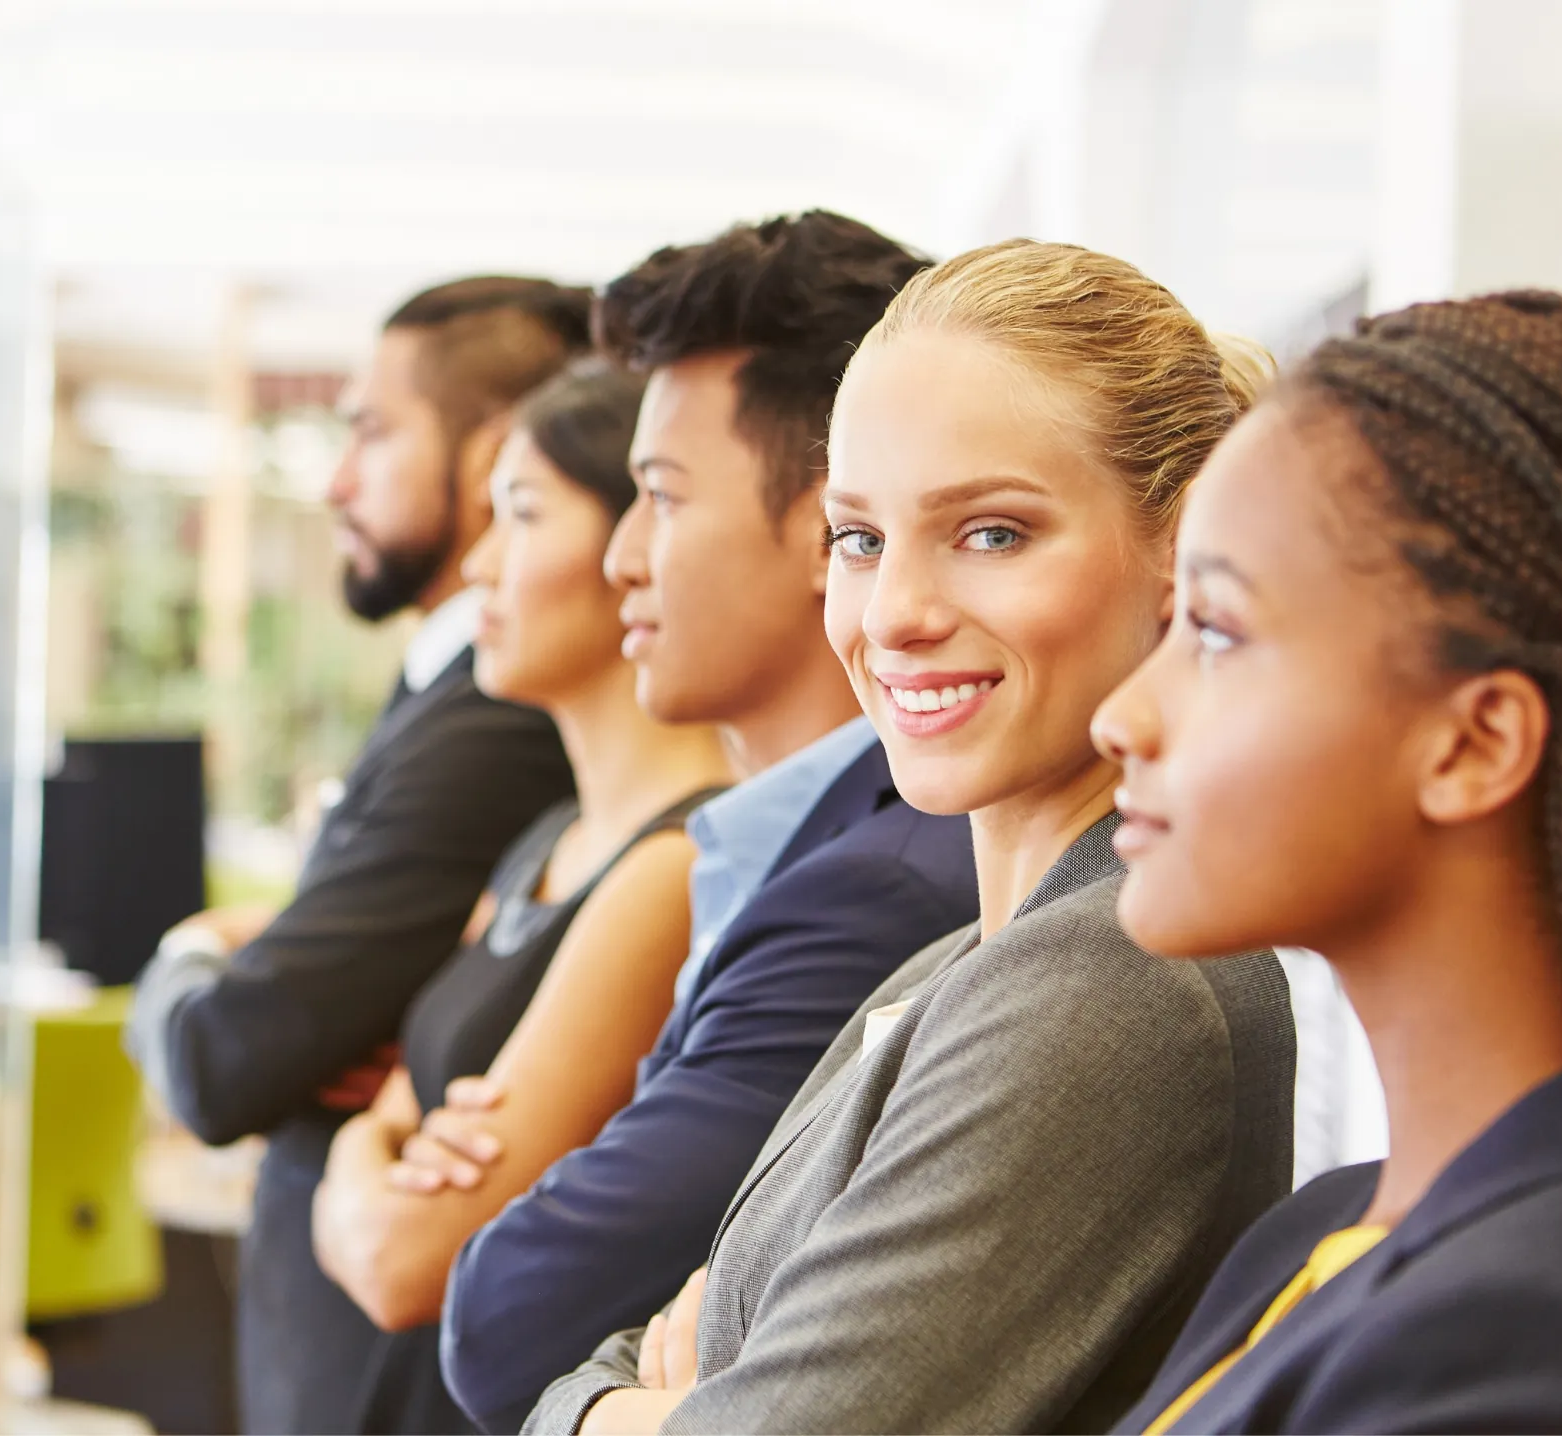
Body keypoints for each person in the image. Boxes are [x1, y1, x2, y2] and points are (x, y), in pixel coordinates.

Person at [533, 240, 1301, 1436]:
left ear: (1179, 545)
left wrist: (593, 1414)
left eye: (990, 532)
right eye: (858, 538)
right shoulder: (953, 967)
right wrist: (639, 1398)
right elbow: (642, 1350)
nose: (894, 612)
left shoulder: (1106, 977)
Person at [427, 212, 982, 1434]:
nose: (622, 556)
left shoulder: (880, 883)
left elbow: (504, 1313)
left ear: (825, 526)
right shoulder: (793, 843)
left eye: (660, 499)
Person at [1099, 292, 1562, 1433]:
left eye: (1213, 632)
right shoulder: (1316, 1231)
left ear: (1470, 742)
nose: (1120, 715)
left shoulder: (1544, 1332)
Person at [123, 276, 587, 1434]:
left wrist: (186, 949)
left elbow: (229, 1057)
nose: (335, 480)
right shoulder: (444, 695)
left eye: (371, 431)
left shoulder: (494, 726)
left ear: (490, 453)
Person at [308, 360, 732, 1433]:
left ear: (630, 542)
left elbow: (407, 1257)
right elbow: (394, 1110)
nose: (482, 564)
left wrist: (368, 1152)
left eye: (524, 515)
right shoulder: (543, 841)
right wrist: (377, 1143)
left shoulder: (669, 864)